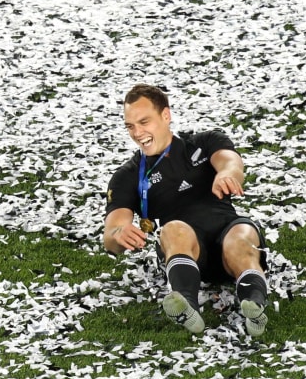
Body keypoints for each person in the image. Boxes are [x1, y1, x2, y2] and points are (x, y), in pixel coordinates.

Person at [103, 84, 269, 336]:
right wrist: (118, 234)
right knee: (174, 228)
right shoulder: (127, 176)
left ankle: (254, 306)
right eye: (130, 126)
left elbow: (231, 161)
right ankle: (187, 307)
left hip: (227, 228)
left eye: (144, 122)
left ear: (166, 116)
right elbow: (112, 232)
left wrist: (226, 174)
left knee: (241, 236)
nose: (137, 133)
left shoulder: (202, 143)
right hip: (185, 249)